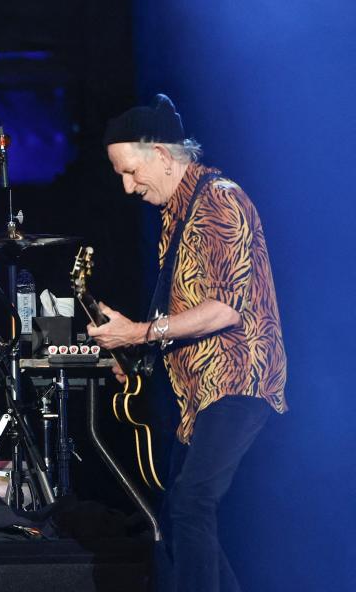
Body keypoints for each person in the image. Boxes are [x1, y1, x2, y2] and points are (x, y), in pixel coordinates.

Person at [88, 94, 287, 592]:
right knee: (177, 515)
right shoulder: (176, 211)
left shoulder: (220, 199)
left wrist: (139, 332)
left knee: (191, 504)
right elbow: (181, 311)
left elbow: (223, 308)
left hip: (239, 381)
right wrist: (136, 351)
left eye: (131, 171)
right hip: (196, 392)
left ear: (161, 153)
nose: (128, 187)